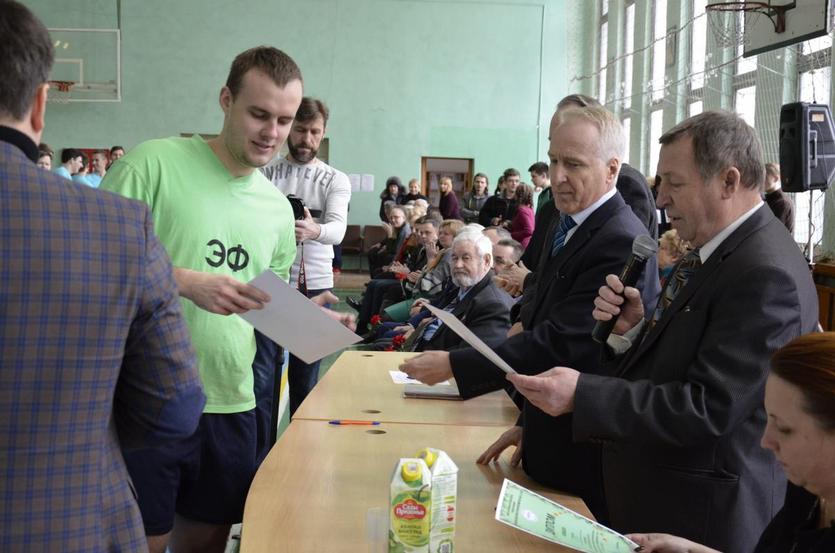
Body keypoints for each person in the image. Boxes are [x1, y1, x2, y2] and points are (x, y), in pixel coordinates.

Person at [505, 111, 819, 552]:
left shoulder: (766, 273)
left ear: (728, 182)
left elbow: (708, 407)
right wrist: (632, 333)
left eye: (675, 183)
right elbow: (685, 359)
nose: (660, 199)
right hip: (661, 499)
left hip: (700, 515)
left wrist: (584, 395)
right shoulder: (718, 250)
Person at [0, 2, 205, 551]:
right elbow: (175, 405)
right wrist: (83, 429)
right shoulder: (117, 228)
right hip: (72, 520)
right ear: (41, 104)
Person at [401, 106, 660, 521]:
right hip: (549, 432)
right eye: (554, 159)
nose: (557, 175)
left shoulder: (619, 239)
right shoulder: (564, 218)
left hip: (584, 456)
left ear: (612, 169)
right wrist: (529, 421)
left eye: (573, 164)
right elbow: (536, 307)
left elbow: (567, 343)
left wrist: (455, 363)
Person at [101, 46, 302, 553]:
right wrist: (188, 282)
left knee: (207, 542)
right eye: (259, 114)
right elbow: (98, 265)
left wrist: (304, 317)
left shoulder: (277, 210)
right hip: (148, 397)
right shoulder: (153, 164)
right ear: (226, 99)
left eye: (284, 120)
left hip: (232, 401)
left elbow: (267, 304)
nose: (272, 133)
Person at [629, 332, 835, 553]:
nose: (766, 441)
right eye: (769, 419)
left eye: (785, 429)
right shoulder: (809, 489)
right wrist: (690, 550)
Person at [259, 97, 351, 418]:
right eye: (300, 130)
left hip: (316, 285)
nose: (306, 139)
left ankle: (302, 451)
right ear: (288, 129)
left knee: (305, 380)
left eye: (315, 132)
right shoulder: (265, 173)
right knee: (264, 375)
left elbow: (338, 230)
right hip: (272, 284)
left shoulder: (336, 179)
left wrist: (314, 231)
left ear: (323, 133)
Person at [409, 229, 513, 351]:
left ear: (486, 261)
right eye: (454, 258)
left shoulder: (493, 304)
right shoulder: (463, 284)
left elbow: (473, 355)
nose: (458, 265)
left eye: (466, 258)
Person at [764, 162, 794, 234]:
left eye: (765, 177)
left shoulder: (782, 203)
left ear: (776, 178)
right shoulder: (767, 198)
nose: (761, 181)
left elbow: (774, 232)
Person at [510, 183, 535, 248]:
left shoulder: (522, 210)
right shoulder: (529, 208)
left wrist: (510, 235)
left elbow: (529, 230)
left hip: (522, 245)